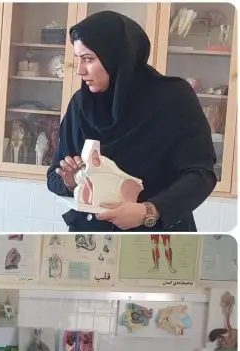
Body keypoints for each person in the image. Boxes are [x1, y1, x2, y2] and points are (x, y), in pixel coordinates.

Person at [47, 11, 216, 232]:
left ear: (116, 57)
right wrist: (71, 181)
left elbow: (201, 174)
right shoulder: (80, 105)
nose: (80, 70)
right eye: (78, 59)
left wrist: (149, 211)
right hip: (92, 239)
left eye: (88, 59)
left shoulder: (174, 98)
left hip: (157, 235)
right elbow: (53, 175)